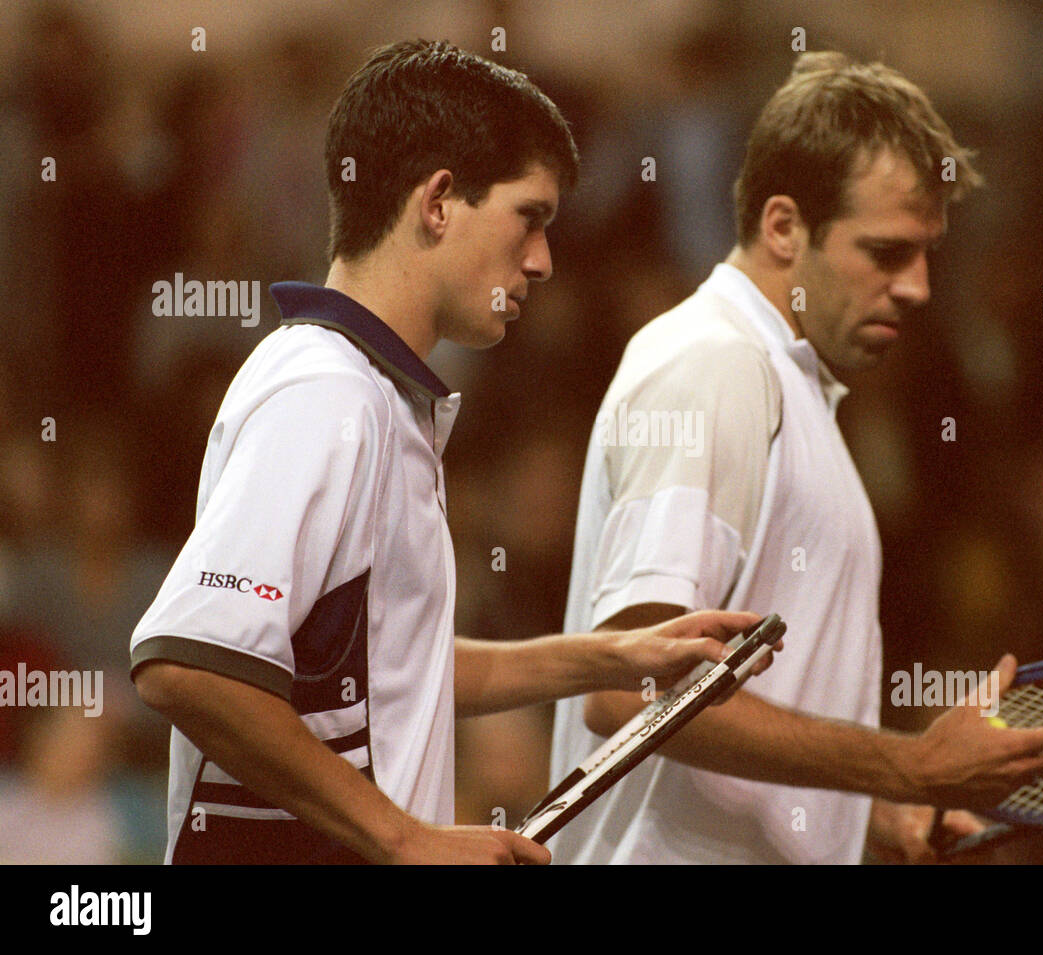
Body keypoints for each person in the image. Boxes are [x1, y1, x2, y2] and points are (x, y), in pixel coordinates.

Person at [129, 39, 764, 866]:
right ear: (437, 202)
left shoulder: (375, 397)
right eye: (528, 218)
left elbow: (400, 669)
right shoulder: (326, 391)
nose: (541, 261)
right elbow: (188, 662)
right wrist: (406, 837)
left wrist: (608, 656)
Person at [550, 52, 1043, 865]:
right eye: (888, 252)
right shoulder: (714, 366)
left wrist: (870, 816)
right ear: (784, 226)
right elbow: (629, 688)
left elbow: (751, 716)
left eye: (929, 252)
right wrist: (907, 766)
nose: (920, 287)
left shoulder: (789, 389)